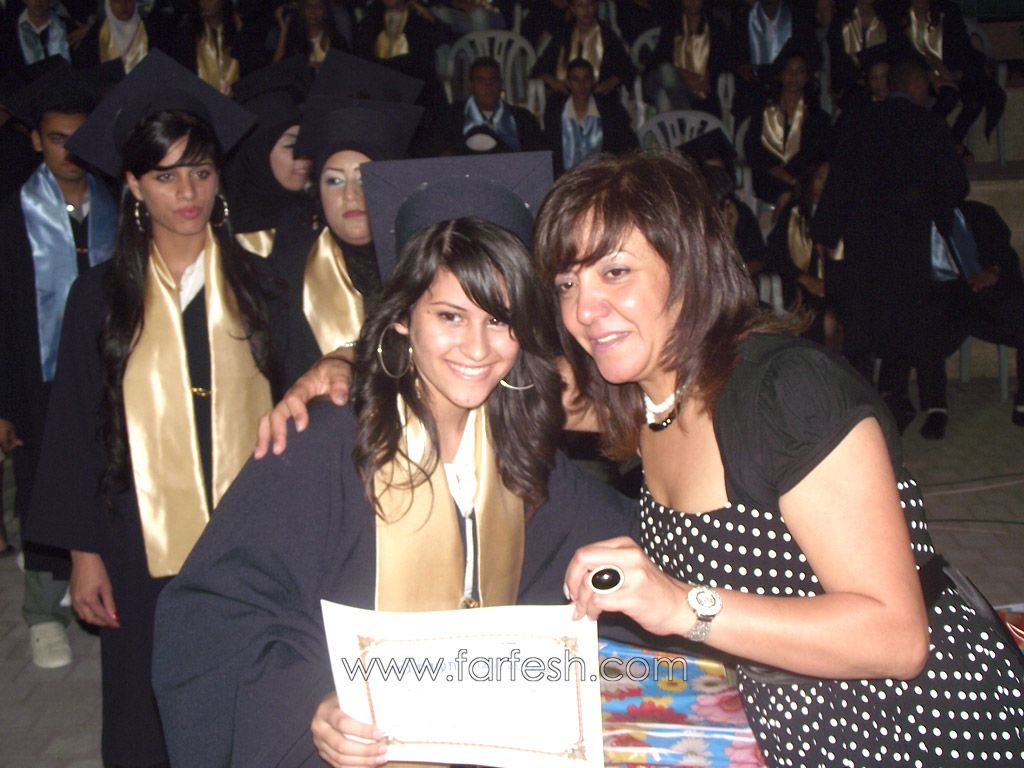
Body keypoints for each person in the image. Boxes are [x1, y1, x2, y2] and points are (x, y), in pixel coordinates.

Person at [534, 150, 1024, 768]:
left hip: (919, 722)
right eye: (567, 284)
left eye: (615, 272)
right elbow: (520, 385)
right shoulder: (650, 397)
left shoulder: (786, 393)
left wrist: (682, 604)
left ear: (686, 266)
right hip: (795, 726)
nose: (583, 310)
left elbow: (896, 640)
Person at [151, 153, 636, 767]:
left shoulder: (518, 443)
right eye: (450, 316)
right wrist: (308, 706)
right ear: (403, 317)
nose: (477, 349)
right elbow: (210, 618)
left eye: (500, 320)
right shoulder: (328, 444)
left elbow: (617, 536)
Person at [22, 51, 283, 767]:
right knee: (145, 705)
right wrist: (85, 554)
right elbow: (77, 428)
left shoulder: (260, 285)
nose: (187, 192)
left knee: (248, 696)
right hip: (136, 536)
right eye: (165, 176)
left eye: (200, 170)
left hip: (250, 531)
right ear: (134, 185)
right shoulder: (100, 298)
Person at [0, 62, 116, 670]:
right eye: (55, 138)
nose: (69, 151)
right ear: (34, 140)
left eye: (79, 137)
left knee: (102, 484)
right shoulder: (10, 216)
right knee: (44, 487)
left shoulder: (119, 206)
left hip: (107, 379)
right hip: (36, 381)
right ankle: (43, 609)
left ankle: (90, 587)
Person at [812, 54, 968, 436]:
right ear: (916, 85)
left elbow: (838, 180)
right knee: (907, 321)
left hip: (865, 241)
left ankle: (867, 407)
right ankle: (897, 398)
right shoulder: (927, 124)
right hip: (908, 242)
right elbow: (955, 185)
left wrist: (826, 231)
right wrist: (939, 213)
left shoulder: (859, 121)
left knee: (865, 325)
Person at [269, 95, 424, 385]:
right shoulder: (285, 277)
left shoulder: (427, 266)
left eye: (364, 179)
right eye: (334, 181)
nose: (350, 195)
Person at [745, 43, 833, 211]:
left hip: (802, 179)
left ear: (807, 76)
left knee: (795, 192)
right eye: (788, 70)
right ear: (780, 75)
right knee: (783, 192)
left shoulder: (818, 118)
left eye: (800, 71)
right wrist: (775, 170)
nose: (794, 76)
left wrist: (793, 177)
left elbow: (819, 154)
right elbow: (752, 147)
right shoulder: (764, 112)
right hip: (769, 176)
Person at [429, 55, 545, 155]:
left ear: (501, 85)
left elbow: (537, 158)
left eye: (493, 81)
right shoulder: (451, 116)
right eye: (481, 81)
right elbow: (437, 152)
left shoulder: (523, 118)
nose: (488, 86)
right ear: (470, 87)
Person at [543, 57, 637, 175]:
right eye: (576, 79)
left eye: (586, 78)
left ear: (593, 81)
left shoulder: (610, 111)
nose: (581, 85)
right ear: (568, 83)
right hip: (565, 179)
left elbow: (628, 145)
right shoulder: (555, 114)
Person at [531, 0, 635, 99]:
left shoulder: (606, 35)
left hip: (598, 97)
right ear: (572, 9)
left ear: (596, 6)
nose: (586, 10)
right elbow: (540, 68)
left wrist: (610, 83)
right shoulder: (563, 33)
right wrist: (554, 83)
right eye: (580, 5)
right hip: (565, 96)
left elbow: (627, 68)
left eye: (590, 4)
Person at [644, 0, 729, 115]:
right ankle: (685, 120)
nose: (692, 2)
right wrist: (686, 75)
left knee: (667, 96)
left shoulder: (715, 26)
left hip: (698, 86)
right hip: (669, 76)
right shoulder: (672, 25)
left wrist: (705, 76)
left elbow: (724, 59)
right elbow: (661, 57)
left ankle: (682, 121)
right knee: (667, 71)